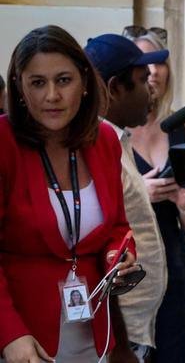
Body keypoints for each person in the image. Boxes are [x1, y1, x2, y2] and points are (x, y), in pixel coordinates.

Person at [0, 25, 139, 363]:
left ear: (85, 82)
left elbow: (118, 226)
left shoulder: (104, 139)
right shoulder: (3, 143)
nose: (52, 96)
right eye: (38, 83)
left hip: (93, 332)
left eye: (63, 80)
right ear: (19, 88)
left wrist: (119, 256)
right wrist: (10, 334)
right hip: (24, 340)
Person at [124, 27, 185, 363]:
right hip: (129, 266)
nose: (154, 72)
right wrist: (138, 193)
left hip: (173, 265)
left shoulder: (180, 128)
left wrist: (184, 201)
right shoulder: (108, 129)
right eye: (145, 64)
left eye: (160, 65)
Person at [85, 33, 170, 363]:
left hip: (134, 331)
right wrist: (118, 341)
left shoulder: (115, 141)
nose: (150, 90)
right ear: (114, 88)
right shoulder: (94, 145)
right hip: (111, 338)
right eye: (140, 81)